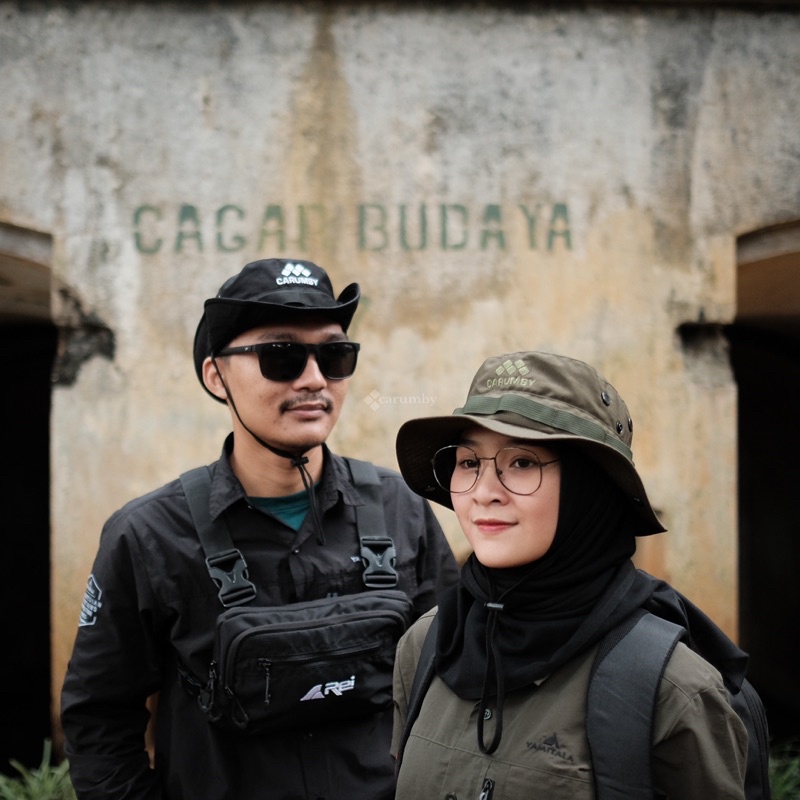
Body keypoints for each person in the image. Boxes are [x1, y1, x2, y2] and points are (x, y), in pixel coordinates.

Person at [61, 258, 459, 800]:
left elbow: (453, 680)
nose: (314, 379)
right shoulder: (148, 534)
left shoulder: (401, 509)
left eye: (335, 356)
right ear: (216, 376)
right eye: (281, 355)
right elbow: (100, 721)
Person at [391, 350, 750, 799]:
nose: (484, 492)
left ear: (589, 488)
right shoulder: (427, 645)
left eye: (521, 462)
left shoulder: (670, 690)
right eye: (468, 463)